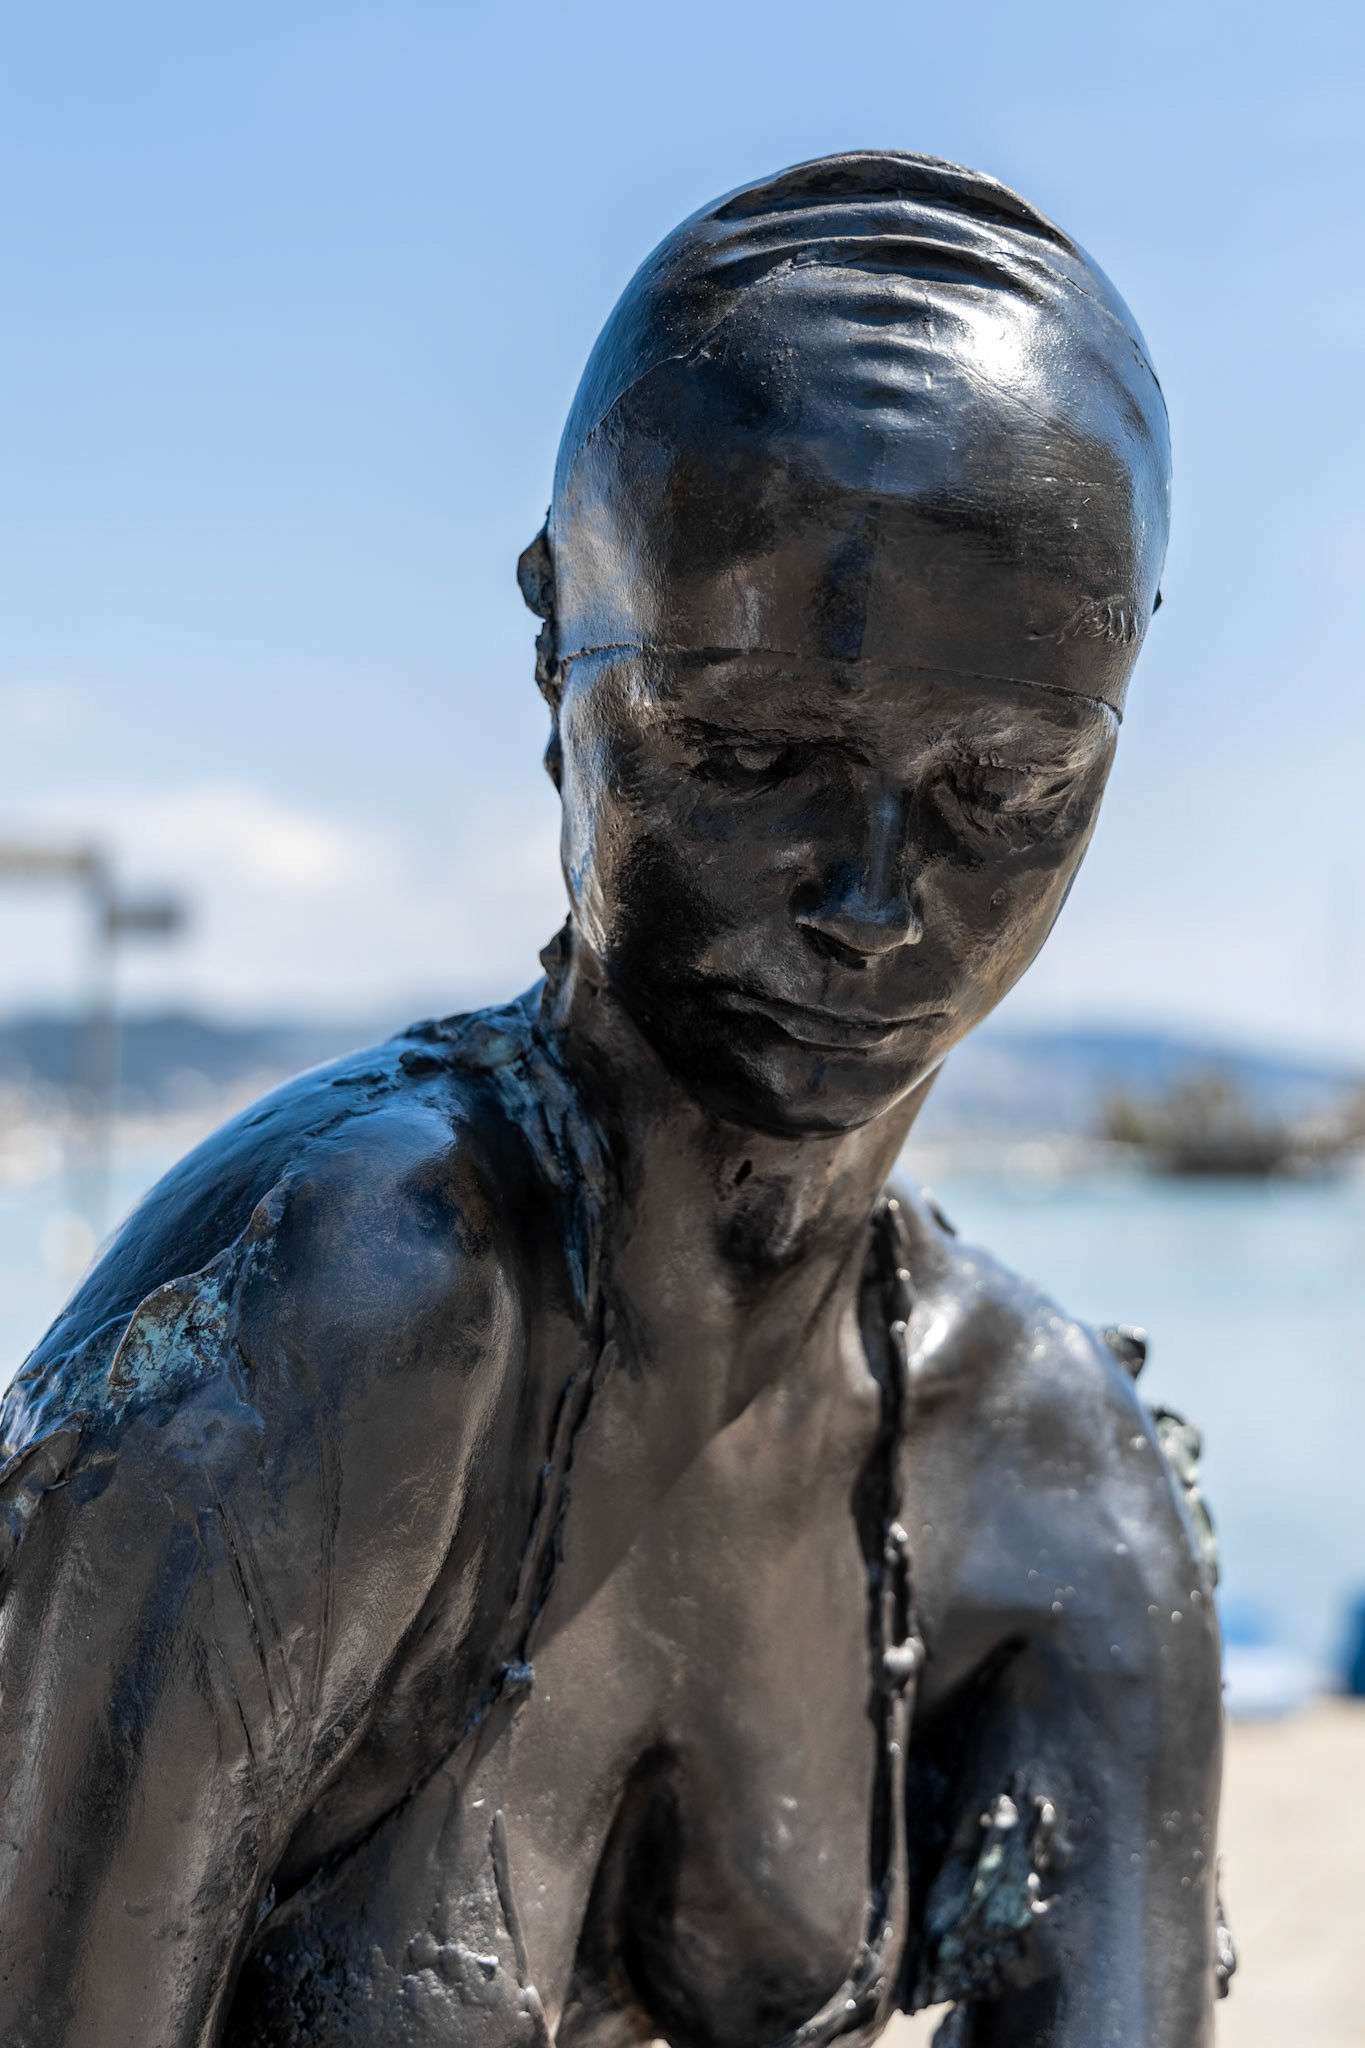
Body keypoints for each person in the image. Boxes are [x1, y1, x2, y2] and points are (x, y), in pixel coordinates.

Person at [0, 153, 1222, 2048]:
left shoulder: (1052, 1483)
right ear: (553, 639)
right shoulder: (351, 1312)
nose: (873, 906)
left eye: (1006, 794)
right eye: (741, 754)